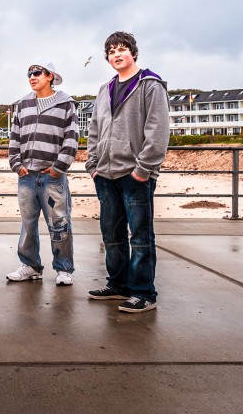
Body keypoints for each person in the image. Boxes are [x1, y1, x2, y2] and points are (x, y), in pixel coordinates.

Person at [85, 31, 169, 313]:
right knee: (112, 235)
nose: (116, 55)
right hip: (105, 174)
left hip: (135, 175)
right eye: (111, 51)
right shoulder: (105, 89)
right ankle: (118, 284)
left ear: (133, 53)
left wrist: (143, 170)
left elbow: (158, 131)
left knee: (141, 238)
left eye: (122, 49)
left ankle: (144, 293)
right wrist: (93, 165)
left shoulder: (150, 85)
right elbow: (94, 129)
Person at [6, 59, 79, 286]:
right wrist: (16, 165)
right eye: (29, 73)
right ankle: (30, 266)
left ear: (50, 76)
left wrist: (58, 168)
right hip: (26, 176)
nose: (32, 77)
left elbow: (72, 138)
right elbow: (15, 137)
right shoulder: (23, 104)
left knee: (59, 223)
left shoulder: (66, 104)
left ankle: (64, 269)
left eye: (37, 73)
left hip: (52, 177)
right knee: (28, 224)